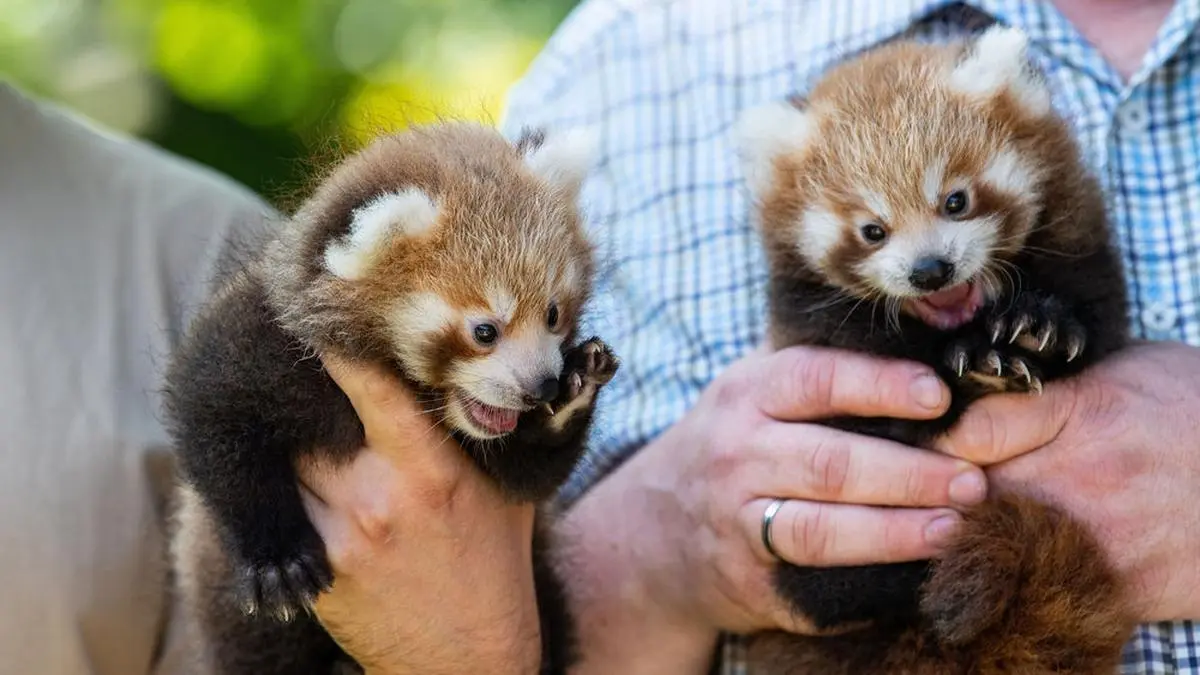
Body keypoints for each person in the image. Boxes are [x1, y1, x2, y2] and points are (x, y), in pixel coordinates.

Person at [293, 0, 1200, 674]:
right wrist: (666, 549)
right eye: (876, 233)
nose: (928, 263)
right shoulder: (614, 76)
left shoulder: (1018, 183)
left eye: (955, 207)